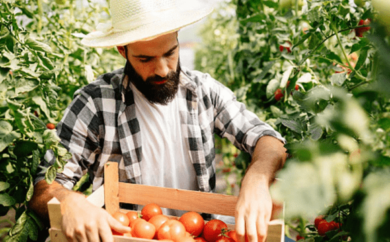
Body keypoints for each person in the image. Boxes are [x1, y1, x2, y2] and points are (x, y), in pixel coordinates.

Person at [29, 0, 287, 242]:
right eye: (146, 59)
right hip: (126, 236)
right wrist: (69, 202)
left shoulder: (204, 91)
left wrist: (257, 177)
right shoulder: (95, 103)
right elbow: (45, 186)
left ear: (177, 37)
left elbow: (268, 138)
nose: (163, 69)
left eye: (170, 53)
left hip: (195, 233)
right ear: (123, 50)